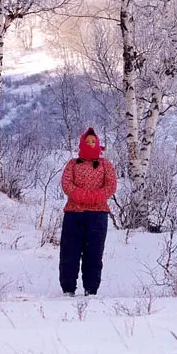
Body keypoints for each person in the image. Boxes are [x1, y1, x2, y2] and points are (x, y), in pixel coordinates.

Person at [59, 127, 117, 297]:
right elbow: (67, 184)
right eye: (87, 141)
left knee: (94, 253)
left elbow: (111, 186)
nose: (90, 144)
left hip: (98, 215)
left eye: (93, 141)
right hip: (73, 214)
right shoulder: (72, 164)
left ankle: (91, 290)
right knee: (69, 252)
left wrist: (93, 198)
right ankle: (68, 289)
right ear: (82, 143)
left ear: (97, 144)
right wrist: (82, 196)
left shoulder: (106, 165)